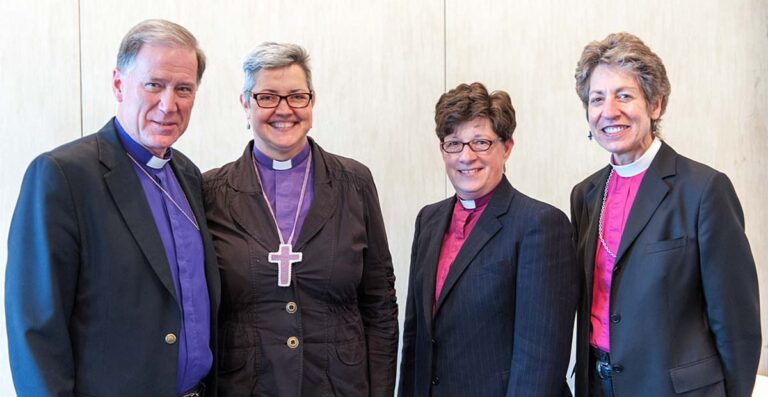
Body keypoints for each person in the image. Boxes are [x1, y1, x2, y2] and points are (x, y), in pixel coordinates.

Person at [5, 19, 220, 396]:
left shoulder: (187, 174)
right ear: (119, 84)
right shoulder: (63, 175)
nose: (168, 105)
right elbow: (36, 328)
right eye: (154, 84)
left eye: (183, 89)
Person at [570, 32, 761, 397]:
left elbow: (738, 325)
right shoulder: (586, 195)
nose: (609, 110)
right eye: (597, 99)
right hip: (597, 384)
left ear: (655, 104)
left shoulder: (704, 190)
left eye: (624, 95)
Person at [203, 42, 398, 396]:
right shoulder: (211, 191)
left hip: (339, 387)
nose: (283, 109)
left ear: (312, 101)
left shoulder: (354, 182)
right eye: (267, 97)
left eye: (296, 96)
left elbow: (380, 302)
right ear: (245, 104)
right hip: (247, 386)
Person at [398, 82, 578, 396]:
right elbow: (415, 338)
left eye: (481, 142)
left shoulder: (540, 224)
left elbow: (539, 358)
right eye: (454, 143)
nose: (466, 156)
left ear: (506, 147)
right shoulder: (429, 220)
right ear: (442, 150)